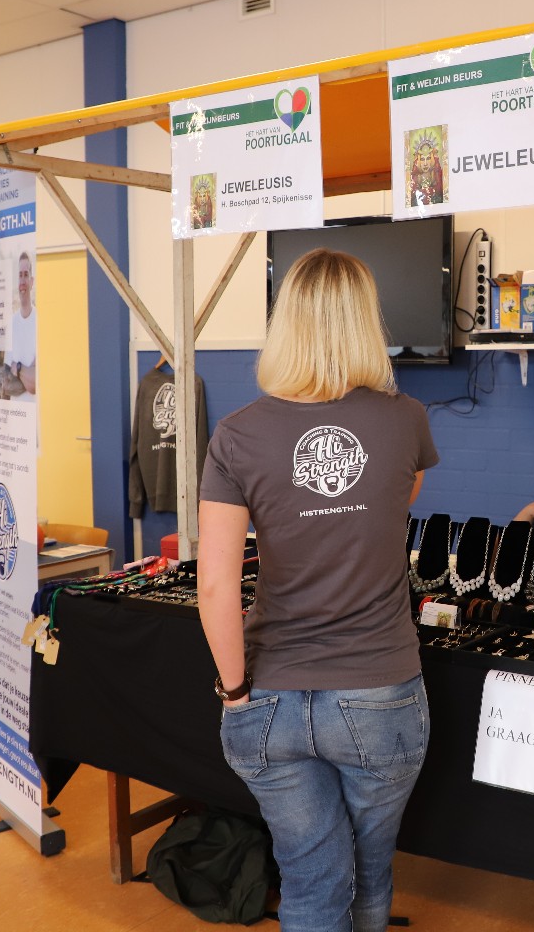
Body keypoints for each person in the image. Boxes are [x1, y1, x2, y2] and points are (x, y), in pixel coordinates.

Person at [197, 248, 438, 932]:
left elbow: (215, 586)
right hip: (379, 691)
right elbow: (398, 503)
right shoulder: (407, 419)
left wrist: (234, 693)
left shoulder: (237, 435)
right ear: (366, 320)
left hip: (270, 693)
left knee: (309, 883)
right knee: (370, 871)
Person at [5, 251, 36, 398]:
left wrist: (17, 368)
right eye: (20, 275)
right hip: (16, 411)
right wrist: (27, 371)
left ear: (31, 281)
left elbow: (35, 384)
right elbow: (7, 385)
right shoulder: (12, 323)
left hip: (35, 411)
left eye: (26, 275)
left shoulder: (39, 321)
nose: (22, 281)